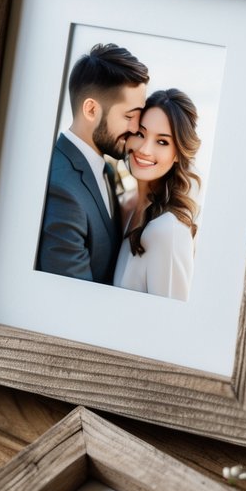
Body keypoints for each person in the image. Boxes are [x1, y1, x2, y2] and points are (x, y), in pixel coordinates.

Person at [37, 44, 149, 284]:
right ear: (91, 110)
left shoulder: (106, 169)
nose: (135, 129)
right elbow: (70, 299)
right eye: (129, 116)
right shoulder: (61, 189)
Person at [113, 90, 201, 303]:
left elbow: (171, 327)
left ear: (178, 154)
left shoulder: (168, 231)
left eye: (162, 142)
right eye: (141, 134)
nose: (144, 149)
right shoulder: (127, 207)